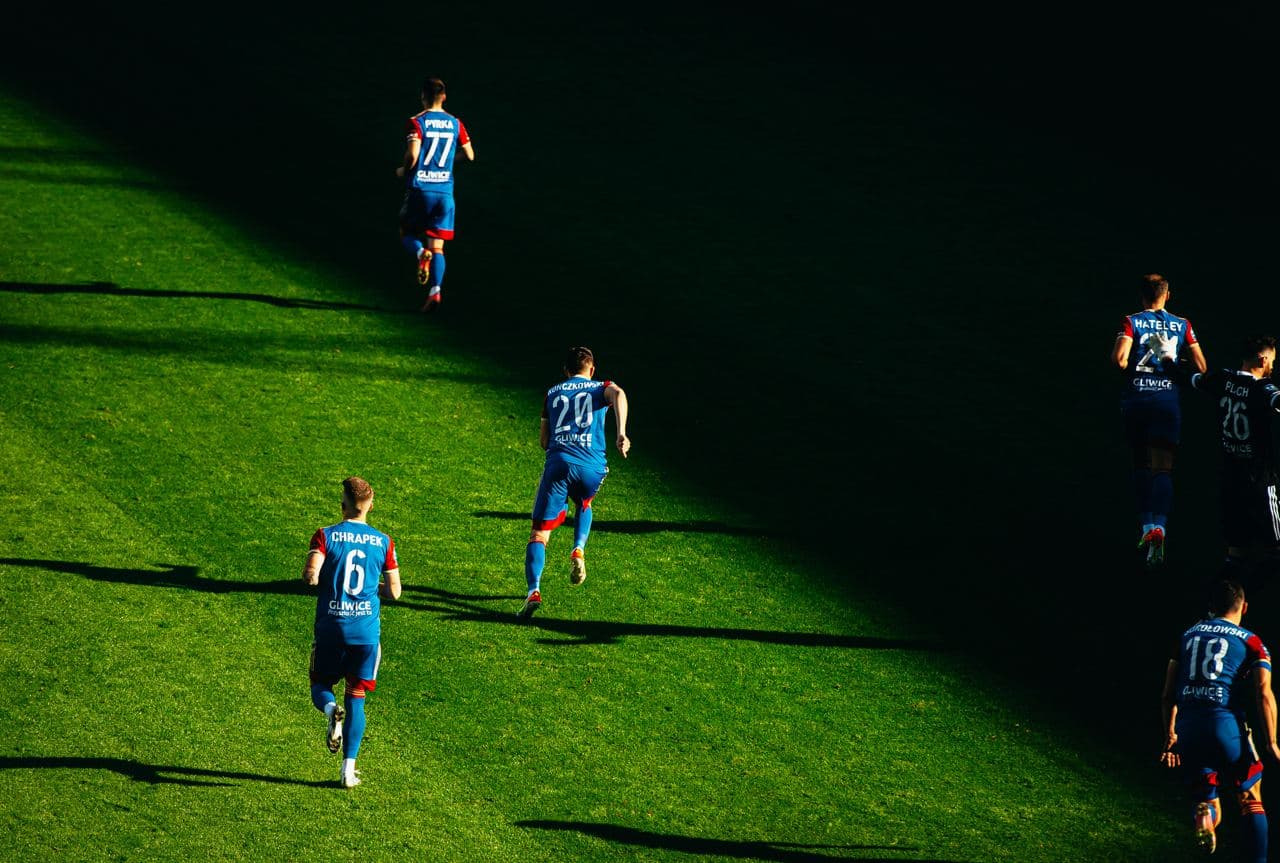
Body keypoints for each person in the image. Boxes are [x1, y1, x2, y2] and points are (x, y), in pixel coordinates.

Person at [1160, 580, 1280, 860]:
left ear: (1211, 606)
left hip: (1188, 728)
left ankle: (1205, 816)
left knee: (1207, 797)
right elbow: (1264, 693)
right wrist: (1272, 742)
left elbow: (1167, 694)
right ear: (1244, 607)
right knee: (1250, 795)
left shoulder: (1187, 635)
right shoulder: (1251, 641)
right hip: (1225, 726)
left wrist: (1170, 735)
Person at [303, 476, 402, 788]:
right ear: (370, 506)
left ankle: (331, 709)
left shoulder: (325, 535)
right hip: (365, 634)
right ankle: (348, 772)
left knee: (320, 684)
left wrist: (322, 576)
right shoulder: (384, 542)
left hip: (332, 629)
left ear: (342, 505)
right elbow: (395, 592)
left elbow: (311, 576)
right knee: (357, 696)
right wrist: (372, 586)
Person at [519, 346, 630, 619]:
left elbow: (544, 441)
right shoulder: (600, 387)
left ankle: (534, 590)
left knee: (539, 534)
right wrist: (621, 433)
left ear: (566, 371)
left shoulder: (552, 393)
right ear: (591, 369)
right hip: (592, 466)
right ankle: (578, 548)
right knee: (584, 501)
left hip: (558, 464)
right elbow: (619, 394)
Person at [1110, 273, 1206, 567]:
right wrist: (1176, 363)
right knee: (1163, 467)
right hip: (1167, 403)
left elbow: (1119, 360)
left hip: (1137, 401)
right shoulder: (1183, 324)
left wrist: (1133, 368)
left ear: (1142, 296)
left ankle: (1146, 525)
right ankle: (1160, 528)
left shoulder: (1132, 321)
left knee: (1140, 462)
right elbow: (1202, 367)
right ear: (1168, 295)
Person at [1183, 336, 1280, 591]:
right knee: (1276, 546)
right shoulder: (1263, 389)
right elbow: (1275, 399)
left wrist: (1169, 361)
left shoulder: (1223, 379)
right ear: (1262, 359)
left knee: (1235, 550)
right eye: (1272, 360)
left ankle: (1221, 596)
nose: (1273, 366)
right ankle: (1248, 595)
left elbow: (1193, 379)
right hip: (1258, 478)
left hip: (1230, 475)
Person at [396, 77, 475, 312]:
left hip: (421, 190)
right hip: (445, 194)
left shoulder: (417, 122)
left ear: (423, 96)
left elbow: (413, 156)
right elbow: (470, 155)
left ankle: (421, 253)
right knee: (438, 246)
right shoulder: (455, 123)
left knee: (406, 233)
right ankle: (435, 291)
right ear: (444, 96)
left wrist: (403, 170)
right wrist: (449, 162)